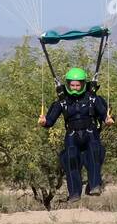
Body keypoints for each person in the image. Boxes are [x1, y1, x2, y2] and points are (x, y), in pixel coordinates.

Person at [38, 67, 110, 201]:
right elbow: (50, 121)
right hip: (72, 135)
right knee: (70, 158)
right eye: (72, 85)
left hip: (90, 133)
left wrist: (108, 119)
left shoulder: (92, 99)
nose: (75, 88)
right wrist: (44, 122)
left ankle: (94, 185)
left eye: (78, 85)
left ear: (83, 84)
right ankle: (74, 193)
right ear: (68, 84)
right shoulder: (62, 102)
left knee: (94, 151)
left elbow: (105, 114)